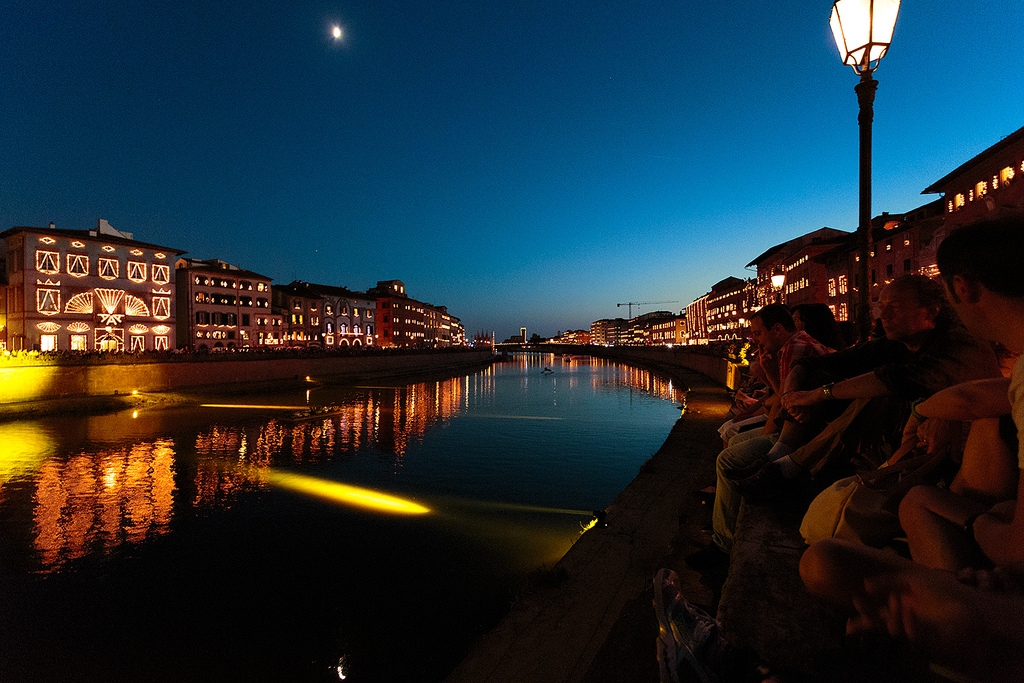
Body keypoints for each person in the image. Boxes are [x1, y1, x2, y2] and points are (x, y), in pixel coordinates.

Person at [801, 216, 1024, 682]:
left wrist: (977, 528)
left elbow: (1015, 548)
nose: (883, 316)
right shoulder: (1014, 373)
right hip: (995, 551)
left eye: (891, 306)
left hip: (1003, 562)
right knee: (828, 560)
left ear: (960, 289)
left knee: (834, 569)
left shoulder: (964, 351)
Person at [742, 275, 999, 492]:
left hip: (957, 456)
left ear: (932, 310)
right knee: (836, 381)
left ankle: (786, 465)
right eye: (880, 306)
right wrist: (792, 394)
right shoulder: (896, 343)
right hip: (903, 442)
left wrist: (817, 396)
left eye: (894, 307)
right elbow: (820, 364)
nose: (882, 315)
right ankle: (785, 463)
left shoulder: (961, 344)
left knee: (873, 394)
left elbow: (898, 381)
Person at [708, 304, 832, 555]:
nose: (755, 340)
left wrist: (776, 446)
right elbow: (785, 398)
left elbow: (784, 406)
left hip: (807, 434)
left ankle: (722, 545)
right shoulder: (796, 344)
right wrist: (767, 371)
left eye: (758, 333)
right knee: (733, 443)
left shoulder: (794, 348)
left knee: (727, 460)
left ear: (777, 329)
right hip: (809, 426)